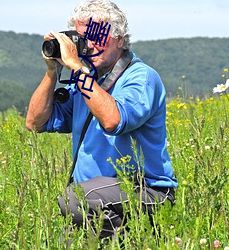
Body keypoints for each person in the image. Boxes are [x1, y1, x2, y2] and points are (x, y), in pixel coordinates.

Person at [26, 0, 178, 244]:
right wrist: (52, 70)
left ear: (119, 39)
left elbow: (113, 120)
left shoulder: (141, 77)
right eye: (83, 37)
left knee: (74, 200)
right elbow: (35, 123)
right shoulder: (84, 81)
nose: (90, 45)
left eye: (98, 36)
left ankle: (133, 241)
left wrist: (76, 67)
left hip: (145, 192)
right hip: (96, 199)